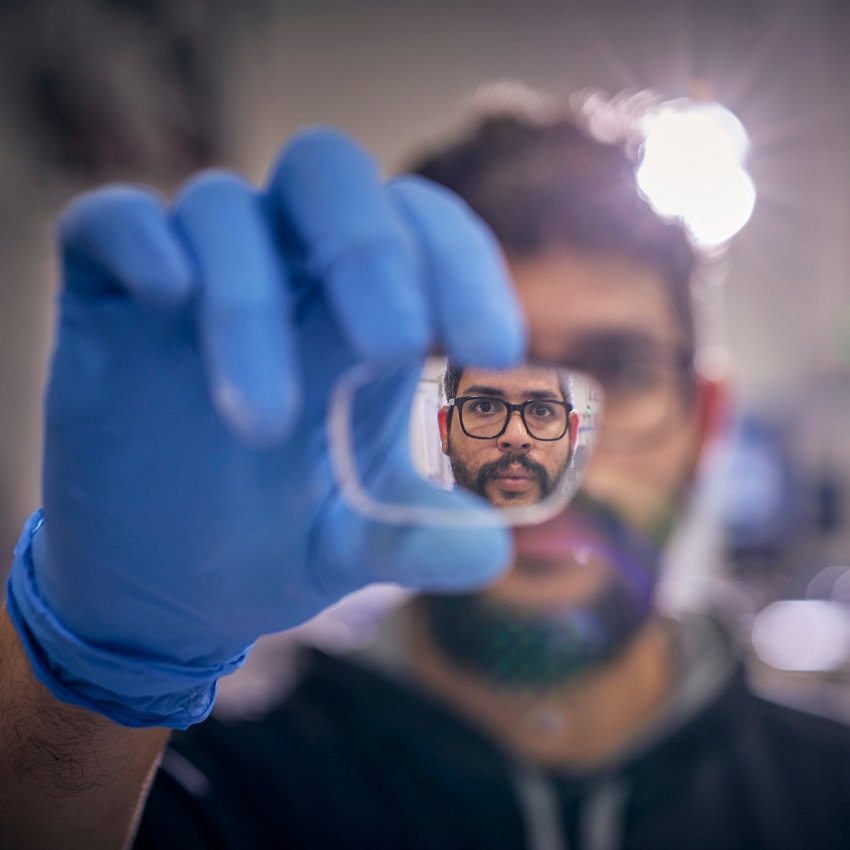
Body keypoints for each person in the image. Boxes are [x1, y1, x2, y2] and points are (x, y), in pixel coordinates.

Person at [132, 102, 850, 850]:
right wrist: (89, 686)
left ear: (703, 423)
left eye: (616, 368)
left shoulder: (834, 802)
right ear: (410, 417)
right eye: (480, 387)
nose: (540, 459)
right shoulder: (205, 800)